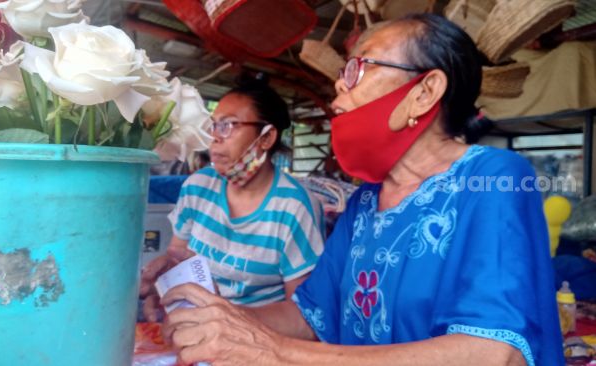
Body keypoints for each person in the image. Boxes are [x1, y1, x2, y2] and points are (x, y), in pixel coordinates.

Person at [159, 13, 564, 366]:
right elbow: (309, 315)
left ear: (424, 92)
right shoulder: (366, 200)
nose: (339, 88)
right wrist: (213, 318)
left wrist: (276, 355)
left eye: (356, 69)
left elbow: (496, 354)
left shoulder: (495, 177)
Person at [139, 75, 325, 320]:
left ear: (267, 138)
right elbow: (177, 256)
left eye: (227, 126)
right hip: (193, 322)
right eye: (213, 125)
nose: (214, 137)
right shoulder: (198, 187)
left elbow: (301, 314)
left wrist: (227, 319)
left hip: (255, 337)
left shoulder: (294, 207)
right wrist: (164, 286)